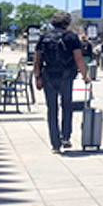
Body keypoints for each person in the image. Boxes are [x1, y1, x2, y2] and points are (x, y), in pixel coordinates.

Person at [33, 12, 90, 154]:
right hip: (66, 76)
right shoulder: (71, 37)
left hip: (48, 76)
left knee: (51, 109)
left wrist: (37, 77)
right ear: (67, 23)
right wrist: (85, 76)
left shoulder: (44, 37)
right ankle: (66, 136)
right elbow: (78, 59)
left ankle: (55, 143)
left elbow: (37, 59)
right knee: (67, 106)